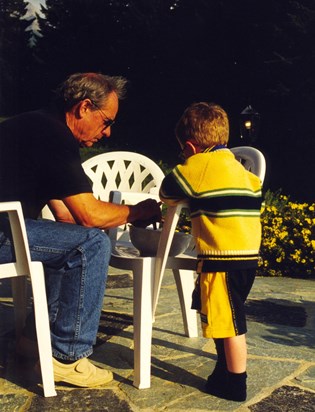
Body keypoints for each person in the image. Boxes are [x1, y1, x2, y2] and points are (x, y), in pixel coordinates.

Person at [0, 72, 161, 388]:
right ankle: (67, 357)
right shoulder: (53, 135)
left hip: (7, 228)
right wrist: (139, 210)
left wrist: (116, 216)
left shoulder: (35, 126)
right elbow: (88, 218)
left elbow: (67, 215)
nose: (108, 131)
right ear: (84, 107)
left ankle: (31, 343)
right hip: (2, 234)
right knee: (91, 244)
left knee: (72, 244)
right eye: (106, 121)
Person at [159, 102, 262, 401]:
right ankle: (224, 368)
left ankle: (235, 382)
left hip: (221, 258)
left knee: (230, 324)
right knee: (222, 315)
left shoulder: (198, 167)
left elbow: (167, 192)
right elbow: (255, 189)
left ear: (190, 146)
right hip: (247, 257)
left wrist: (187, 165)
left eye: (183, 151)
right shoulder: (240, 168)